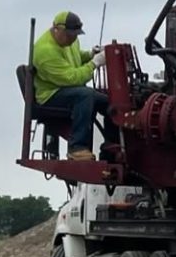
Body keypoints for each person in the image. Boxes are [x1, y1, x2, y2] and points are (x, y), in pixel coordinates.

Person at [33, 10, 116, 161]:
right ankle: (77, 148)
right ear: (57, 29)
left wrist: (92, 54)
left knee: (111, 102)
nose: (73, 39)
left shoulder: (69, 40)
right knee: (84, 95)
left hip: (66, 88)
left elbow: (76, 57)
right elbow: (73, 79)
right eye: (70, 35)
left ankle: (112, 147)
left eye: (76, 35)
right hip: (50, 95)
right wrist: (95, 63)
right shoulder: (45, 52)